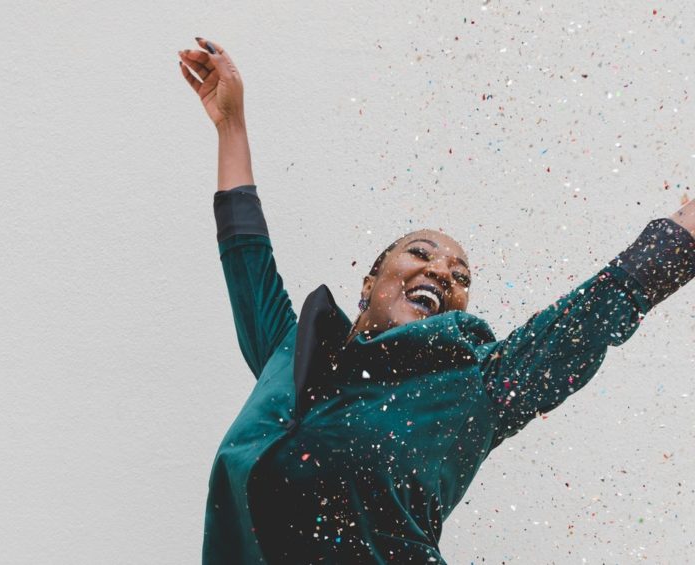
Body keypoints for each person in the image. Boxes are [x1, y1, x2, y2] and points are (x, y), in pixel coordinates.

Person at [179, 38, 695, 564]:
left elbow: (590, 316)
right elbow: (246, 252)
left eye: (460, 275)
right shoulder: (287, 354)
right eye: (420, 252)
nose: (440, 271)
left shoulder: (473, 390)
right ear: (370, 281)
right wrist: (231, 125)